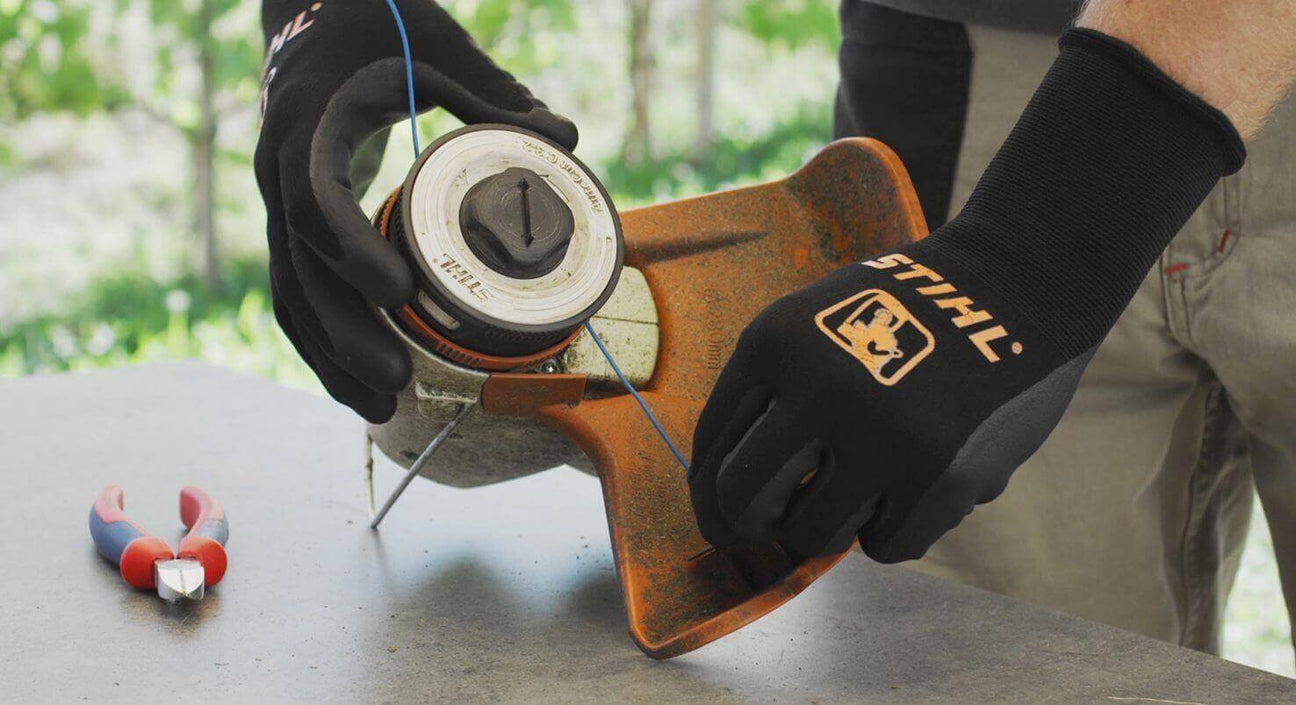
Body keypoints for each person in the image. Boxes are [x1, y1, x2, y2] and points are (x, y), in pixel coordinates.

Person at [253, 0, 1296, 660]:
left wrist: (1040, 247)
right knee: (995, 674)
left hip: (1051, 176)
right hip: (974, 81)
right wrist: (320, 14)